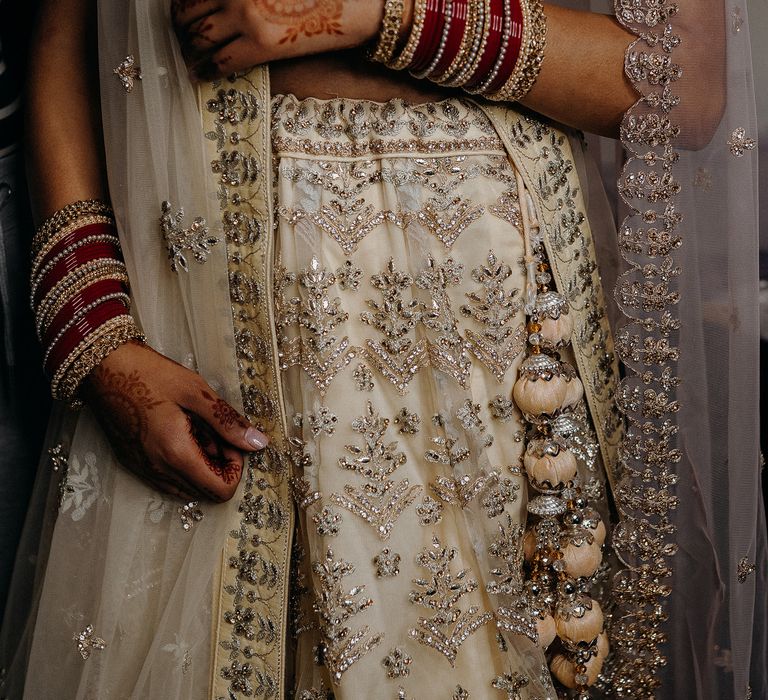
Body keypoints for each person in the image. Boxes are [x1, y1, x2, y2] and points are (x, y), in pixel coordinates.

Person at [1, 0, 765, 698]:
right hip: (195, 316)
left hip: (486, 329)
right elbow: (66, 33)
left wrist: (376, 12)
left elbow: (682, 89)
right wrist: (95, 334)